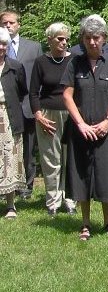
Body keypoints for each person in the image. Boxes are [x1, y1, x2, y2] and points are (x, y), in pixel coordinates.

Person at [61, 15, 108, 240]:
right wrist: (80, 124)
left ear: (104, 38)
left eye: (96, 37)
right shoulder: (74, 63)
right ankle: (85, 223)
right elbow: (67, 95)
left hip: (106, 130)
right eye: (88, 37)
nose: (92, 42)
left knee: (107, 174)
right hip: (81, 131)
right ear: (83, 39)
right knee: (82, 175)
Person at [29, 22, 76, 216]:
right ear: (49, 39)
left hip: (72, 114)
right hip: (48, 115)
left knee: (70, 158)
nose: (64, 42)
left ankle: (70, 199)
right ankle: (53, 202)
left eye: (66, 39)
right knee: (51, 159)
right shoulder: (41, 62)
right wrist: (38, 115)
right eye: (60, 39)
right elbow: (33, 92)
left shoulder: (74, 60)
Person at [1, 10, 42, 200]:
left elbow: (39, 77)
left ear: (19, 25)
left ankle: (26, 187)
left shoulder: (34, 47)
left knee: (28, 149)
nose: (8, 25)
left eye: (11, 22)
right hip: (4, 109)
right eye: (4, 23)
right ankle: (5, 186)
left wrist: (38, 105)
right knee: (4, 149)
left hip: (27, 106)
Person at [0, 27, 28, 218]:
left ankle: (11, 205)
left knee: (9, 158)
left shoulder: (15, 67)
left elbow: (22, 91)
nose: (1, 47)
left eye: (4, 44)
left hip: (9, 116)